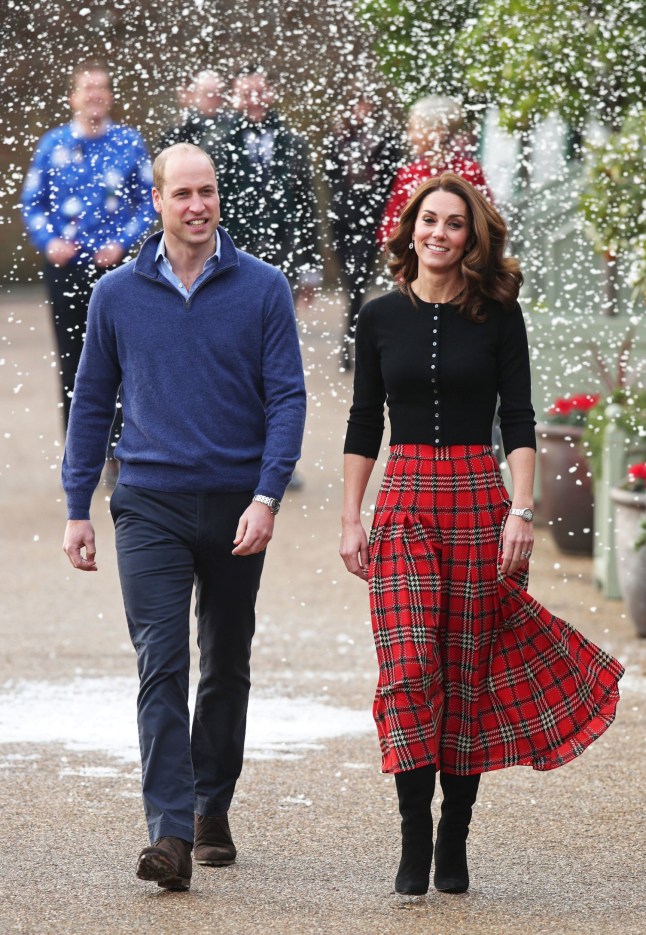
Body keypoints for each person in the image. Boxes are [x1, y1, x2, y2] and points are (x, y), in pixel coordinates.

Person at [340, 173, 624, 897]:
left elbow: (520, 418)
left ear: (472, 236)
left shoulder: (499, 315)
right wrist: (352, 516)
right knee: (409, 667)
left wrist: (521, 511)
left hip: (478, 497)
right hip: (403, 496)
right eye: (428, 220)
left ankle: (454, 832)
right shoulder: (376, 317)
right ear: (409, 231)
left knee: (466, 673)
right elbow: (364, 421)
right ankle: (412, 829)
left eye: (454, 224)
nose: (439, 233)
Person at [62, 143, 306, 891]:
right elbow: (92, 402)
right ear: (158, 201)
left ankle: (211, 802)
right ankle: (168, 830)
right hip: (150, 503)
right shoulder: (116, 295)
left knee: (225, 660)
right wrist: (78, 506)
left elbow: (288, 398)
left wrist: (267, 495)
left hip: (238, 504)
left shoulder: (262, 287)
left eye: (207, 192)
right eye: (182, 194)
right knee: (160, 662)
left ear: (218, 198)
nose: (197, 206)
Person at [20, 61, 153, 472]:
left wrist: (122, 242)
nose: (94, 94)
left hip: (116, 271)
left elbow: (149, 202)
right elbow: (32, 202)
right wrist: (48, 241)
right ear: (72, 97)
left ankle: (119, 451)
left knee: (121, 357)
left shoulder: (129, 144)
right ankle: (82, 453)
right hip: (66, 269)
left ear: (110, 96)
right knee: (73, 358)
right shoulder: (52, 145)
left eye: (101, 88)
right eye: (86, 88)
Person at [202, 67, 321, 310]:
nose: (254, 101)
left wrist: (311, 266)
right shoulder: (216, 144)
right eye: (246, 94)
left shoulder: (294, 144)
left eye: (260, 92)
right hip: (232, 252)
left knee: (279, 328)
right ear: (234, 98)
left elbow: (306, 206)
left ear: (272, 93)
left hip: (284, 252)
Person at [324, 90, 401, 370]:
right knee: (350, 282)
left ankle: (351, 340)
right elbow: (330, 176)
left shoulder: (386, 139)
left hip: (371, 220)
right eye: (358, 105)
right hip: (343, 220)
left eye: (367, 104)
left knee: (358, 281)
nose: (362, 110)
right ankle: (351, 339)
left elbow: (391, 178)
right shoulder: (339, 138)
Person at [377, 95, 491, 246]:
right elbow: (388, 232)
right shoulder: (407, 174)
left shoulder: (469, 173)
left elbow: (486, 227)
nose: (410, 137)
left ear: (438, 132)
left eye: (415, 128)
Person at [157, 69, 232, 151]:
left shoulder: (231, 125)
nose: (214, 99)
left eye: (219, 94)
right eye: (208, 93)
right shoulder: (181, 129)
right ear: (194, 94)